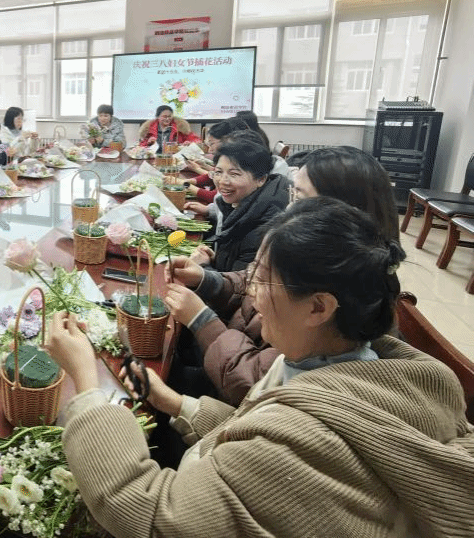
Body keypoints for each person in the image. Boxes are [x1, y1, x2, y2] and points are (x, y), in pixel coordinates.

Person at [47, 197, 474, 538]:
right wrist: (173, 402)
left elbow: (151, 515)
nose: (250, 291)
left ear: (318, 307)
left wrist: (87, 384)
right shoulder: (352, 363)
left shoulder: (304, 444)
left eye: (263, 278)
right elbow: (256, 425)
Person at [167, 146, 402, 405]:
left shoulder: (344, 299)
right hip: (233, 353)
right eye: (293, 193)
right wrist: (205, 278)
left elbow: (255, 384)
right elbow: (252, 279)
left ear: (341, 213)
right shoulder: (311, 255)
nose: (289, 207)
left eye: (300, 197)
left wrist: (202, 320)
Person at [184, 136, 289, 272]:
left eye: (234, 174)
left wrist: (204, 267)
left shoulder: (263, 228)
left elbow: (244, 283)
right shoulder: (239, 203)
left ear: (261, 179)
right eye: (218, 172)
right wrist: (215, 259)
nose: (222, 181)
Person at [174, 117, 249, 203]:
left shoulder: (239, 161)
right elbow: (212, 176)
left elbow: (217, 197)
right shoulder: (233, 157)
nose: (210, 150)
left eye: (211, 144)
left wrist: (186, 184)